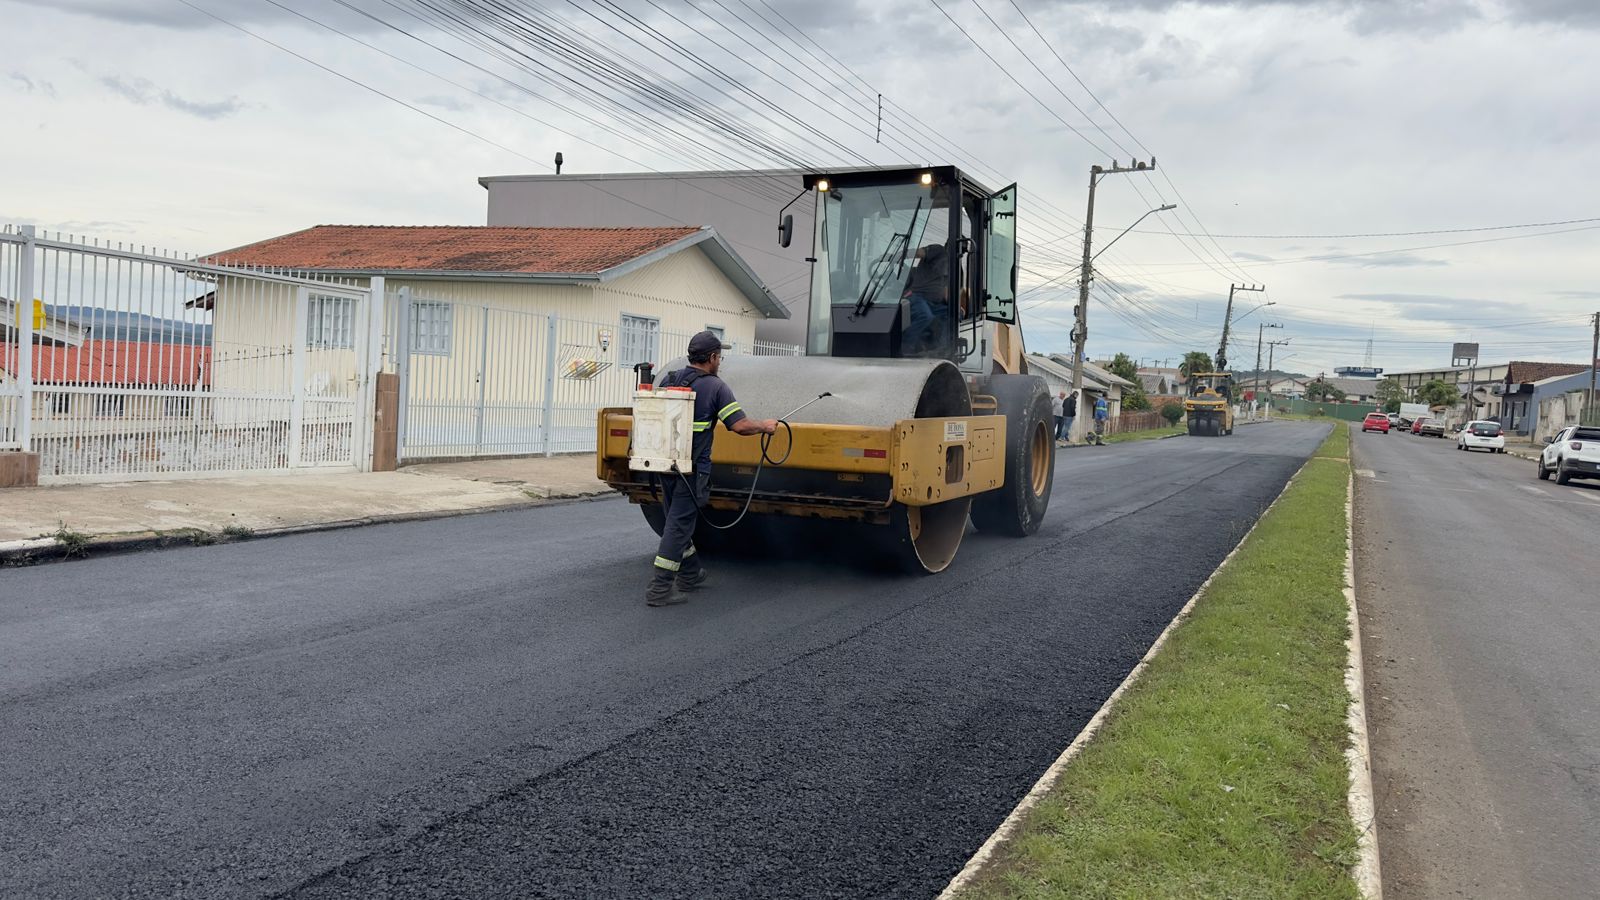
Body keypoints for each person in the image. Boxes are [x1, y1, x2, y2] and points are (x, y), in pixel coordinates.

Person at [646, 331, 777, 607]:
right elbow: (739, 425)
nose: (720, 362)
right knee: (678, 525)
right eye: (720, 357)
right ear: (713, 357)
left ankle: (691, 573)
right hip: (692, 471)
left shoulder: (671, 379)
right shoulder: (716, 387)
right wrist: (765, 426)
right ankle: (660, 589)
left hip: (665, 466)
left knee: (675, 520)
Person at [902, 243, 948, 353]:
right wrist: (899, 255)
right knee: (925, 315)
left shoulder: (955, 267)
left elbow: (947, 294)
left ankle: (942, 348)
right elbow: (919, 253)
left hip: (933, 304)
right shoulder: (939, 251)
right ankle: (905, 345)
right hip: (917, 296)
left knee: (952, 313)